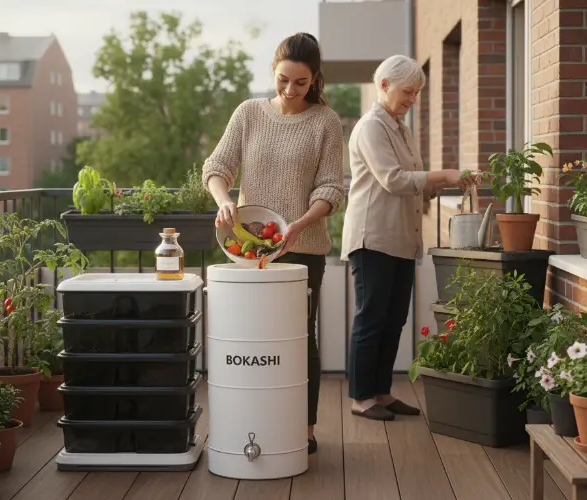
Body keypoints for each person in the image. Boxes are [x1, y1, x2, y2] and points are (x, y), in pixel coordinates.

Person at [202, 32, 346, 453]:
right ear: (273, 71)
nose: (290, 89)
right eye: (283, 80)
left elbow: (331, 188)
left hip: (303, 247)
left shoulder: (325, 121)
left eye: (300, 82)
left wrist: (300, 224)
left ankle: (304, 429)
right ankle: (255, 420)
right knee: (253, 337)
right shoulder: (249, 113)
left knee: (299, 337)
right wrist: (224, 200)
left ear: (314, 78)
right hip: (250, 250)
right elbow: (217, 166)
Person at [341, 55, 478, 421]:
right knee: (372, 319)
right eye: (408, 91)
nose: (413, 99)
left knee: (394, 319)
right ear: (384, 85)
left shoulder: (400, 128)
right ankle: (361, 398)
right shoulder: (371, 127)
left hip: (400, 238)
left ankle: (381, 392)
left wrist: (447, 183)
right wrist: (443, 175)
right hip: (373, 238)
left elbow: (414, 183)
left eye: (417, 93)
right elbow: (394, 180)